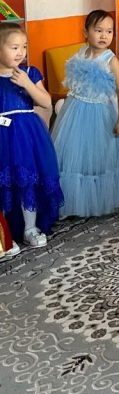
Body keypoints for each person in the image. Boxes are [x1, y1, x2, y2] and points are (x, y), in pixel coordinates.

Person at [52, 10, 119, 217]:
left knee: (101, 156)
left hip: (100, 113)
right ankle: (76, 201)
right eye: (98, 30)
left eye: (109, 31)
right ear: (86, 32)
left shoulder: (110, 60)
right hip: (75, 111)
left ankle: (102, 198)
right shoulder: (80, 54)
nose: (104, 35)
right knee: (76, 156)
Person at [0, 22, 63, 247]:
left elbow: (45, 102)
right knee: (5, 182)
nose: (21, 52)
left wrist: (27, 84)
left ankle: (30, 228)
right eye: (14, 47)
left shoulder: (29, 72)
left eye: (24, 47)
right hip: (3, 138)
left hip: (27, 137)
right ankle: (5, 236)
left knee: (28, 179)